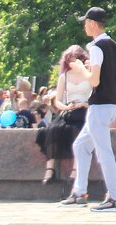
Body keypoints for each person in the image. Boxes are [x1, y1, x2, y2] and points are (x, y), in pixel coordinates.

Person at [60, 6, 116, 212]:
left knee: (103, 151)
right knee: (81, 146)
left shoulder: (97, 47)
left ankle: (115, 197)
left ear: (91, 23)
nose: (84, 26)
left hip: (99, 105)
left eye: (85, 22)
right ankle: (79, 192)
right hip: (108, 104)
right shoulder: (115, 46)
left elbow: (95, 80)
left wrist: (82, 69)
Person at [38, 45, 91, 184]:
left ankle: (75, 170)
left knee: (78, 131)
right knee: (51, 130)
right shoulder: (64, 76)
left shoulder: (89, 74)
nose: (72, 63)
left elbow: (96, 95)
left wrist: (85, 104)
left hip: (86, 110)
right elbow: (58, 100)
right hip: (69, 110)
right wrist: (66, 107)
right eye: (69, 60)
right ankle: (50, 169)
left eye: (75, 60)